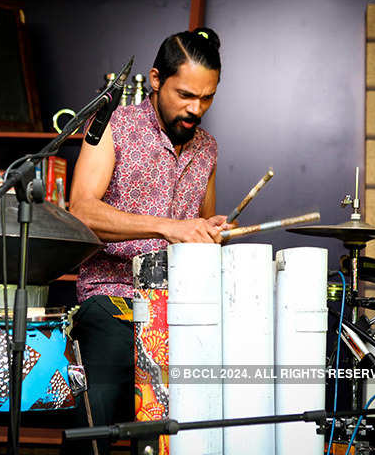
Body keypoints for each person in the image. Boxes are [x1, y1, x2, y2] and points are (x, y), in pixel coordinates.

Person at [68, 27, 231, 452]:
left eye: (207, 98)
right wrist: (166, 225)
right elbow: (81, 211)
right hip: (113, 295)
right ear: (156, 80)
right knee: (99, 415)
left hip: (179, 301)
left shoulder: (208, 149)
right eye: (185, 95)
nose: (196, 109)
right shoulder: (113, 126)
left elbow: (197, 225)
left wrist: (209, 231)